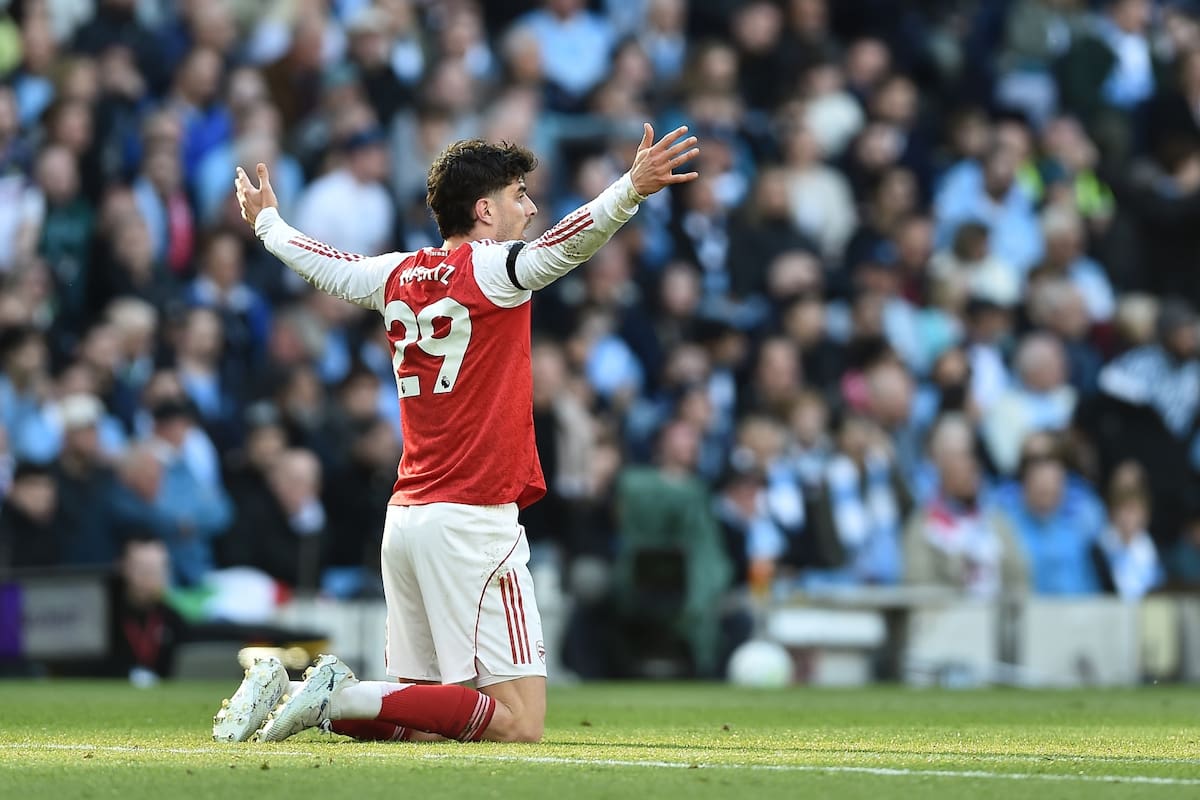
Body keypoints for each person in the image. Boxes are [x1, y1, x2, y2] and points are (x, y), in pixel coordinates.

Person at [212, 123, 700, 744]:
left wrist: (267, 225)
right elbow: (568, 244)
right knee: (520, 724)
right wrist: (631, 188)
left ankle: (286, 686)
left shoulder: (396, 274)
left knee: (417, 722)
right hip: (471, 521)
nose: (529, 206)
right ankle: (339, 694)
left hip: (408, 519)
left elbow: (324, 267)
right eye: (519, 193)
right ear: (484, 209)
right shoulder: (494, 270)